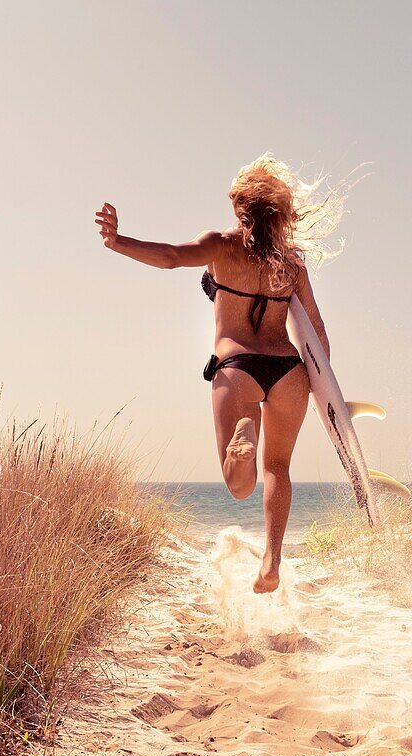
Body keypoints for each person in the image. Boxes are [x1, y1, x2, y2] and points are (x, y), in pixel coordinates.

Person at [96, 154, 352, 593]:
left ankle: (245, 433)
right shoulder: (292, 264)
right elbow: (316, 329)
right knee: (279, 467)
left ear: (239, 207)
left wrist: (119, 242)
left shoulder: (220, 245)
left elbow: (173, 257)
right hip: (289, 369)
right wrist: (325, 393)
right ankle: (272, 559)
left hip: (238, 367)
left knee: (238, 486)